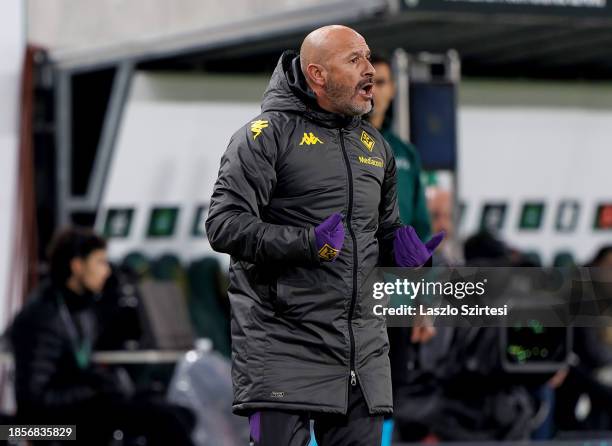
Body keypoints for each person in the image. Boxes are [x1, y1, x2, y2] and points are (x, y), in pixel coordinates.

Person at [205, 25, 443, 446]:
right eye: (355, 60)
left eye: (368, 57)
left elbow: (381, 231)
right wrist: (305, 244)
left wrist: (403, 252)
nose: (369, 70)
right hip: (281, 346)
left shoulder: (376, 146)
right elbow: (223, 224)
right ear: (317, 74)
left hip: (361, 350)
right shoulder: (263, 137)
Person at [9, 227, 195, 445]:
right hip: (49, 428)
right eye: (100, 262)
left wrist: (109, 385)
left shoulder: (81, 309)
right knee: (164, 422)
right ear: (77, 266)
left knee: (179, 414)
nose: (106, 271)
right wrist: (95, 390)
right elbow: (34, 403)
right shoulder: (43, 316)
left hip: (79, 413)